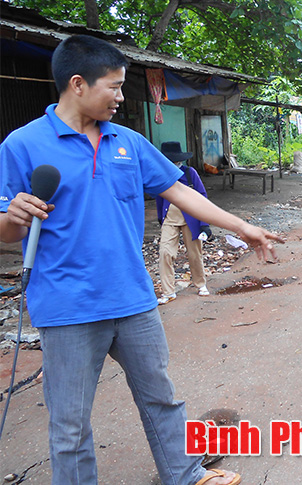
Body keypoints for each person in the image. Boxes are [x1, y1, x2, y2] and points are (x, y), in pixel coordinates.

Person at [0, 35, 283, 485]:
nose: (120, 97)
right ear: (77, 83)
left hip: (133, 298)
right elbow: (7, 231)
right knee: (70, 425)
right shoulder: (23, 145)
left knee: (161, 398)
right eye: (113, 87)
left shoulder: (128, 142)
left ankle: (186, 475)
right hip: (68, 306)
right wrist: (12, 217)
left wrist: (241, 226)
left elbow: (181, 192)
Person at [156, 142, 212, 305]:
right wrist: (161, 219)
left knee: (194, 254)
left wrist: (204, 223)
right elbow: (159, 199)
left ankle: (200, 284)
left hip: (191, 219)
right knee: (165, 253)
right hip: (169, 219)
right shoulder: (161, 175)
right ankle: (168, 291)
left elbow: (202, 197)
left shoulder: (189, 173)